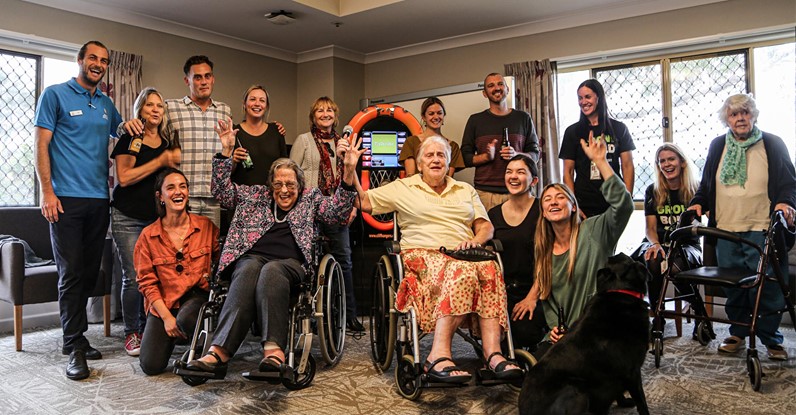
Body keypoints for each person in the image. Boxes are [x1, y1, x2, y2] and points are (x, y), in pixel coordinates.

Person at [185, 119, 362, 377]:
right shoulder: (255, 195)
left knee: (272, 270)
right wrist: (225, 152)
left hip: (290, 264)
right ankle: (218, 352)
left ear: (300, 186)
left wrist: (347, 173)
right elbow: (222, 193)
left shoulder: (310, 198)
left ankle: (273, 353)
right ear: (270, 185)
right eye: (278, 184)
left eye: (290, 184)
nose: (284, 190)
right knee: (246, 269)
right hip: (252, 258)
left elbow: (336, 213)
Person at [355, 135, 523, 383]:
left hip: (464, 253)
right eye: (429, 155)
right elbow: (363, 201)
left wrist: (475, 242)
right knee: (461, 270)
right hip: (422, 254)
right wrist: (350, 169)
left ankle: (493, 354)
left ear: (448, 163)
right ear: (419, 164)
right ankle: (438, 355)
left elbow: (485, 226)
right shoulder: (404, 187)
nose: (436, 159)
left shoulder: (464, 189)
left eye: (441, 155)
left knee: (489, 268)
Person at [33, 40, 123, 381]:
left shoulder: (105, 103)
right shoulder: (55, 95)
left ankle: (78, 335)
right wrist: (47, 192)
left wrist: (140, 124)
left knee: (87, 272)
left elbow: (124, 133)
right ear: (80, 60)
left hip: (99, 199)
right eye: (93, 58)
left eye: (104, 60)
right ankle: (74, 346)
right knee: (71, 272)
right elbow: (41, 144)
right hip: (64, 200)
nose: (98, 64)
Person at [689, 94, 796, 361]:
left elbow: (788, 182)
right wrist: (697, 203)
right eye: (735, 114)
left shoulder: (772, 143)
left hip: (762, 227)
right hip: (725, 227)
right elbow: (706, 185)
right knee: (733, 285)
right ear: (727, 119)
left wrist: (784, 203)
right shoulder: (717, 146)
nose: (740, 118)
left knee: (768, 285)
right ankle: (737, 331)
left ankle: (771, 339)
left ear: (754, 115)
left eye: (745, 113)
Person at [531, 132, 634, 358]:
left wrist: (600, 162)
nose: (553, 202)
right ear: (544, 213)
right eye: (547, 199)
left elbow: (624, 205)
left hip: (598, 331)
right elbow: (547, 300)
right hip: (566, 335)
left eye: (560, 197)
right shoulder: (544, 250)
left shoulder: (595, 231)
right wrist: (554, 329)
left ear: (574, 206)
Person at [110, 87, 181, 356]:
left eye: (159, 106)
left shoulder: (165, 143)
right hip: (127, 217)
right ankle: (132, 332)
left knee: (155, 278)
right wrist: (161, 162)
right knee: (133, 276)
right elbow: (124, 177)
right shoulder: (130, 136)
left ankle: (151, 328)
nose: (155, 109)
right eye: (149, 105)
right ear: (140, 109)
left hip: (156, 220)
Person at [121, 55, 231, 227]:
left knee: (211, 249)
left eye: (207, 76)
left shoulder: (224, 110)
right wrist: (125, 126)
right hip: (183, 196)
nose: (203, 82)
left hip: (213, 197)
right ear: (187, 80)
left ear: (213, 79)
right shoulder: (170, 107)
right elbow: (147, 123)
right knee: (180, 248)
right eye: (197, 77)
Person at [133, 168, 219, 375]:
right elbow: (146, 283)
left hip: (197, 297)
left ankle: (200, 350)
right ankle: (178, 339)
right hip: (165, 303)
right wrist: (166, 318)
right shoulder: (148, 236)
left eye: (182, 186)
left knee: (187, 318)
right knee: (150, 366)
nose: (178, 192)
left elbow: (223, 260)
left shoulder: (205, 226)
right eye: (170, 188)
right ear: (160, 196)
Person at [289, 96, 362, 333]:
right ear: (313, 116)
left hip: (337, 208)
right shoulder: (304, 141)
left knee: (345, 261)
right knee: (308, 262)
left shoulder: (343, 142)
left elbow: (351, 175)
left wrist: (352, 205)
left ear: (335, 115)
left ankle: (348, 315)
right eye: (320, 110)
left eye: (329, 110)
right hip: (310, 209)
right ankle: (308, 315)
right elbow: (291, 176)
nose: (325, 114)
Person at [633, 143, 712, 340]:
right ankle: (657, 318)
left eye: (671, 159)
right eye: (662, 161)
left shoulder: (697, 190)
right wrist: (655, 244)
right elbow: (650, 229)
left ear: (682, 162)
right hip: (657, 242)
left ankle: (699, 313)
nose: (666, 164)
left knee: (675, 266)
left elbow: (710, 221)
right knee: (654, 258)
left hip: (687, 245)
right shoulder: (654, 190)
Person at [488, 154, 546, 351]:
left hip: (535, 289)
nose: (513, 176)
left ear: (534, 181)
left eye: (521, 172)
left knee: (525, 335)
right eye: (509, 172)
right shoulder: (493, 214)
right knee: (497, 342)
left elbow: (549, 259)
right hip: (502, 292)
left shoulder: (542, 210)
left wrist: (531, 297)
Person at [461, 73, 540, 212]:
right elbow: (465, 157)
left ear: (507, 89)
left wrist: (516, 155)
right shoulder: (475, 121)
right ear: (485, 93)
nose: (496, 88)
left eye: (500, 84)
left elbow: (535, 154)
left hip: (519, 191)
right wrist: (486, 157)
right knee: (487, 233)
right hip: (485, 195)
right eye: (491, 85)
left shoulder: (523, 118)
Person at [559, 79, 635, 218]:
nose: (583, 102)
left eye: (587, 97)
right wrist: (573, 204)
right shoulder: (572, 132)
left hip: (612, 200)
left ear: (598, 98)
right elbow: (568, 172)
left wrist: (626, 199)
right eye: (580, 98)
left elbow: (627, 165)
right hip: (584, 202)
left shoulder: (619, 128)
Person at [229, 85, 286, 185]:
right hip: (242, 196)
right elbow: (224, 175)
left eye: (262, 100)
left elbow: (285, 168)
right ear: (244, 104)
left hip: (272, 195)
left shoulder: (277, 131)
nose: (257, 104)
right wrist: (233, 161)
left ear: (266, 106)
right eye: (252, 99)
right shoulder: (234, 132)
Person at [399, 96, 464, 177]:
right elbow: (410, 177)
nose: (436, 117)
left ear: (444, 115)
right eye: (431, 114)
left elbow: (448, 179)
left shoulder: (452, 146)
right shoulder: (411, 142)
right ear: (423, 117)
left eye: (439, 113)